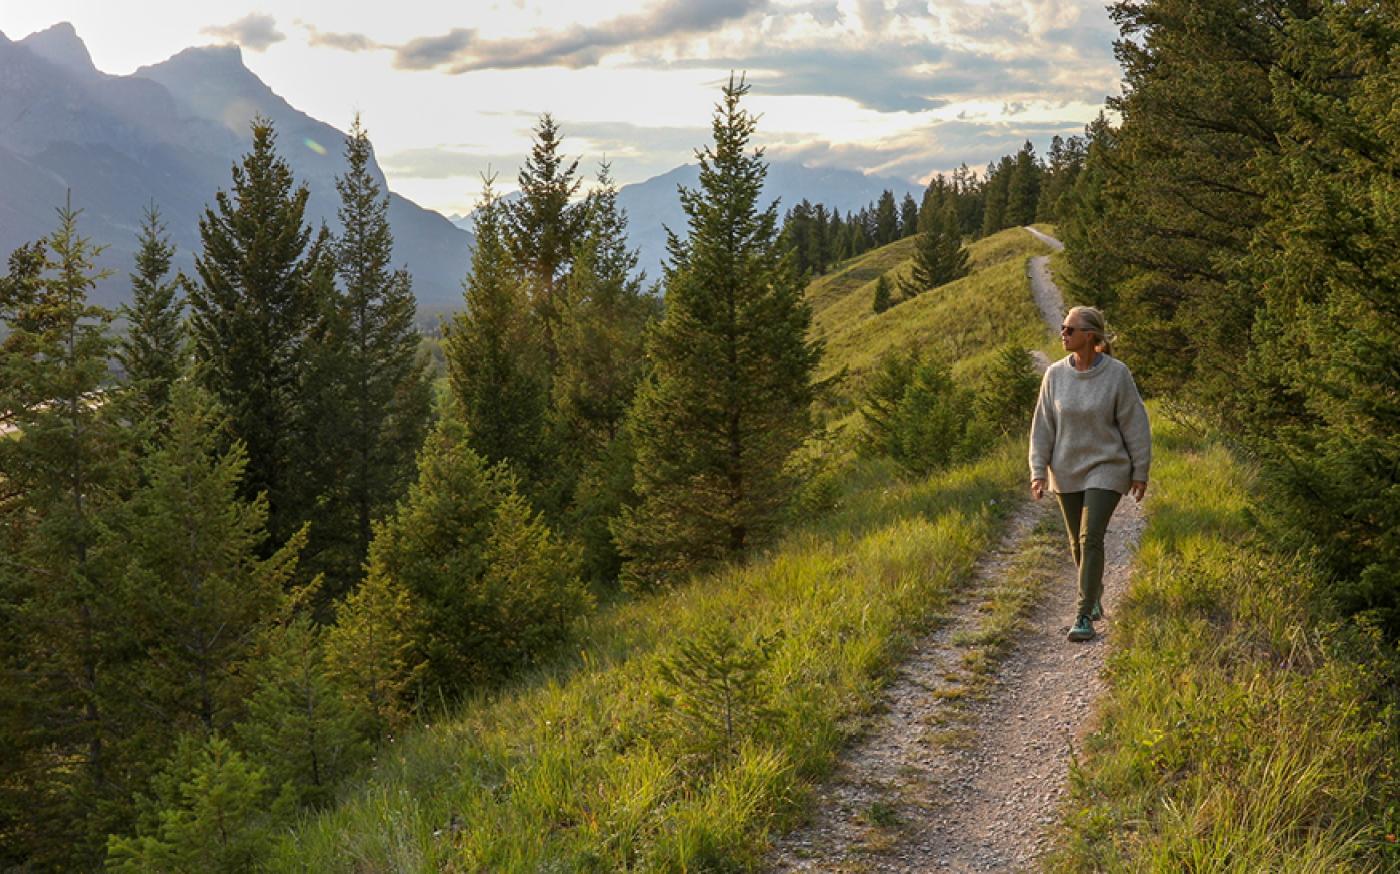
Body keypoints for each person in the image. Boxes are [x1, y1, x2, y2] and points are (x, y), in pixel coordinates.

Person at [1029, 305, 1151, 642]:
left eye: (1069, 329)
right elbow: (1042, 427)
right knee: (1075, 542)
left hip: (1107, 466)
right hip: (1065, 468)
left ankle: (1083, 615)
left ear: (1090, 335)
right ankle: (1093, 593)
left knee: (1090, 537)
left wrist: (1140, 470)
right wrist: (1038, 471)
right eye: (1063, 328)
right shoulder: (1054, 374)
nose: (1063, 334)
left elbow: (1135, 424)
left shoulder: (1117, 374)